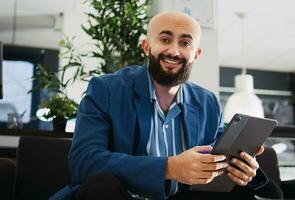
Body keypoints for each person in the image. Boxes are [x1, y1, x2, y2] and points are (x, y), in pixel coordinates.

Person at [50, 11, 268, 200]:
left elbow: (217, 157)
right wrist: (169, 168)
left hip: (182, 196)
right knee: (101, 186)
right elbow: (83, 161)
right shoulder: (106, 90)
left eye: (185, 43)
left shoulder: (207, 102)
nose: (174, 51)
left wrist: (242, 167)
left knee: (261, 190)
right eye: (165, 39)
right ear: (147, 46)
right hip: (121, 195)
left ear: (196, 54)